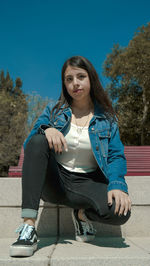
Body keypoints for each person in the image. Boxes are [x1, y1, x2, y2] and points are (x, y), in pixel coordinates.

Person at [10, 55, 131, 257]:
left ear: (91, 78)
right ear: (64, 84)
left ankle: (81, 215)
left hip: (88, 183)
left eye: (81, 76)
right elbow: (30, 144)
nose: (75, 83)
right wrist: (46, 129)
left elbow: (116, 155)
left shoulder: (107, 119)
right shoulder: (54, 110)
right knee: (38, 139)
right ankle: (28, 228)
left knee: (121, 212)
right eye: (69, 79)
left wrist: (117, 184)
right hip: (56, 181)